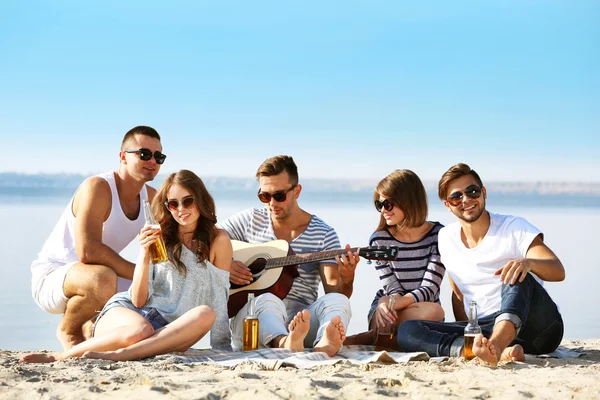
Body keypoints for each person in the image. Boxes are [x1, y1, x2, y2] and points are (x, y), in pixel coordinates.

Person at [20, 170, 232, 363]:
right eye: (173, 204)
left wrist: (222, 347)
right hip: (130, 315)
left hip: (170, 330)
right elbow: (138, 300)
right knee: (140, 330)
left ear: (200, 200)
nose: (181, 210)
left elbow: (219, 296)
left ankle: (124, 353)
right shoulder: (160, 238)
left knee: (205, 313)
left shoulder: (218, 240)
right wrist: (144, 255)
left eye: (188, 201)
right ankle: (63, 355)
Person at [397, 163, 565, 365]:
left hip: (538, 328)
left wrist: (527, 262)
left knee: (516, 272)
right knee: (407, 330)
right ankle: (473, 351)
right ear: (447, 205)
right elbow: (459, 293)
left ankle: (496, 346)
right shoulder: (446, 237)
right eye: (456, 197)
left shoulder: (513, 227)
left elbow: (557, 270)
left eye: (472, 191)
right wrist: (471, 333)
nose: (466, 200)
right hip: (485, 326)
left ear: (483, 193)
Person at [30, 126, 166, 350]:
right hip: (53, 276)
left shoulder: (151, 197)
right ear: (123, 157)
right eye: (144, 154)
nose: (152, 160)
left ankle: (93, 327)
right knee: (105, 278)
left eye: (158, 156)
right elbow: (88, 251)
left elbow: (183, 232)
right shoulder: (98, 187)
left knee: (160, 286)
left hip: (99, 277)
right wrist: (138, 273)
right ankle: (69, 330)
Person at [219, 155, 360, 357]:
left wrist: (347, 278)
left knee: (338, 301)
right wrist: (226, 264)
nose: (271, 203)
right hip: (253, 325)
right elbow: (206, 238)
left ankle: (324, 342)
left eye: (279, 195)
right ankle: (283, 341)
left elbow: (334, 290)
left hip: (302, 327)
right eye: (264, 196)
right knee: (267, 298)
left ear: (297, 191)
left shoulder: (323, 233)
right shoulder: (250, 219)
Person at [344, 170, 445, 348]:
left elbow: (430, 288)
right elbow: (391, 286)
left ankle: (371, 337)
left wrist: (397, 303)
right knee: (391, 315)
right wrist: (387, 303)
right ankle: (385, 336)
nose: (383, 210)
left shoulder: (439, 235)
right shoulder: (379, 239)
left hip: (422, 310)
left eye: (388, 204)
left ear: (409, 201)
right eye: (379, 204)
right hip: (387, 308)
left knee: (434, 311)